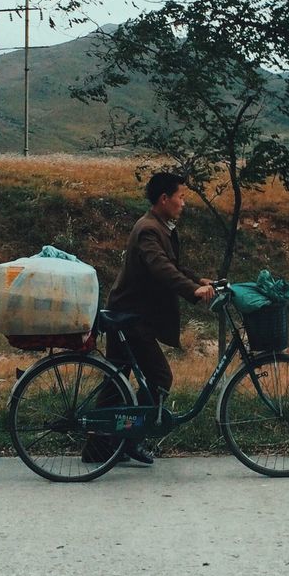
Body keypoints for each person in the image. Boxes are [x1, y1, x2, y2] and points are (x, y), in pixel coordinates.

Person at [84, 171, 215, 466]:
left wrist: (199, 279)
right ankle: (130, 439)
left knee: (116, 381)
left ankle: (98, 448)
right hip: (131, 318)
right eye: (181, 197)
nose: (184, 203)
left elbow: (172, 265)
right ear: (164, 199)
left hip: (127, 314)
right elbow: (161, 269)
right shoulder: (148, 230)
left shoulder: (159, 226)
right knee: (159, 377)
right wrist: (193, 290)